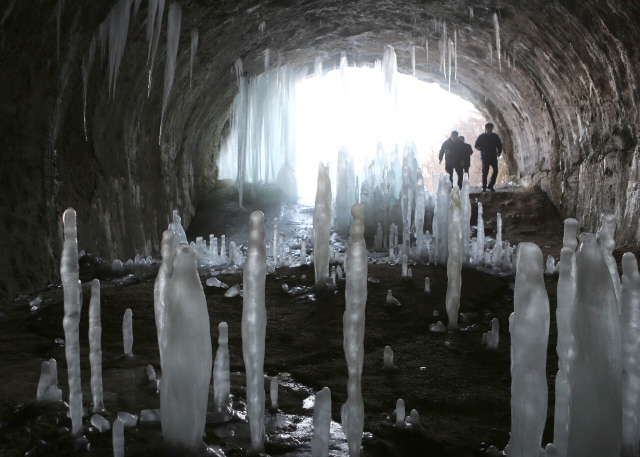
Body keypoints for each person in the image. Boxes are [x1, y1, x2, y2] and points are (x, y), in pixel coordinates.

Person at [474, 122, 503, 192]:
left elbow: (499, 144)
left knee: (495, 171)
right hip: (485, 157)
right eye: (488, 129)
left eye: (491, 129)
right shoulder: (481, 137)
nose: (489, 130)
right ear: (486, 129)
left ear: (492, 129)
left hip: (493, 156)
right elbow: (476, 145)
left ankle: (490, 185)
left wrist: (499, 152)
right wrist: (482, 148)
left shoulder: (495, 136)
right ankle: (484, 186)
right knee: (485, 172)